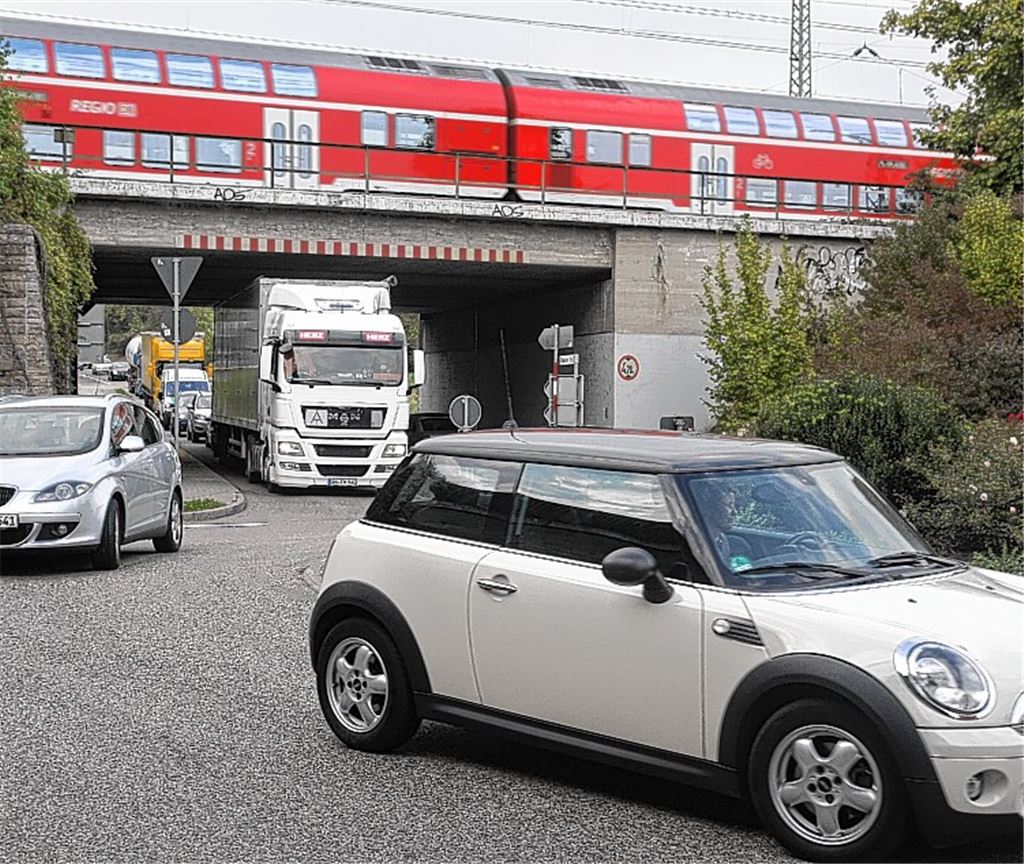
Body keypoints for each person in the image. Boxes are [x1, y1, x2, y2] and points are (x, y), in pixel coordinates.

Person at [701, 483, 752, 571]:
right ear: (709, 509)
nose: (734, 512)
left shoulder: (738, 546)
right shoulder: (694, 547)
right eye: (729, 505)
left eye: (734, 505)